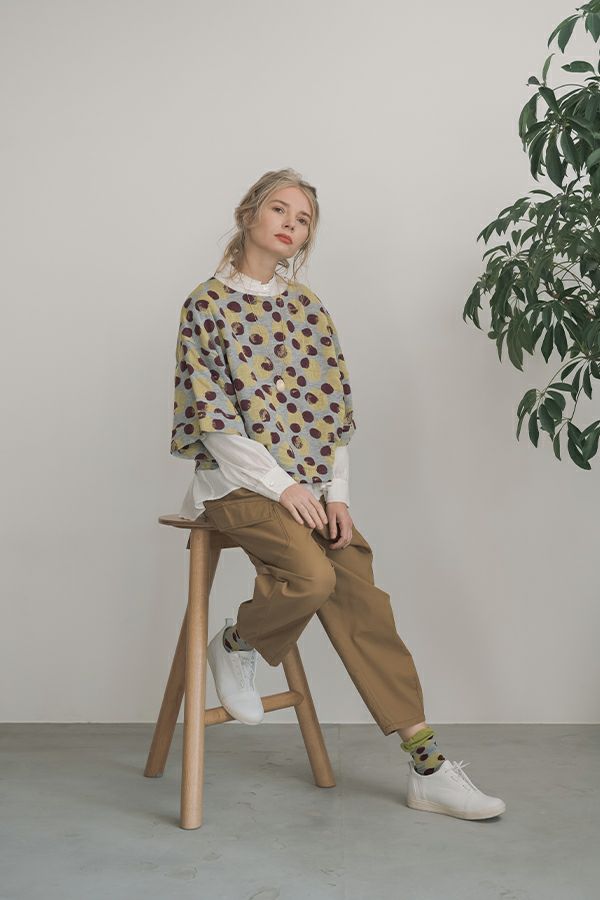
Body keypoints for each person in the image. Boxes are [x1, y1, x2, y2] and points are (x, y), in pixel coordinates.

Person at [171, 168, 506, 820]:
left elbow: (332, 414)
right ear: (248, 213)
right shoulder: (205, 305)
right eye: (279, 209)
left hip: (310, 488)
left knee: (360, 594)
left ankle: (428, 767)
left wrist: (338, 495)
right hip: (236, 485)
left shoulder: (309, 309)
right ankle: (236, 643)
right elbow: (214, 422)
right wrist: (284, 485)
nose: (290, 224)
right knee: (312, 577)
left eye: (303, 220)